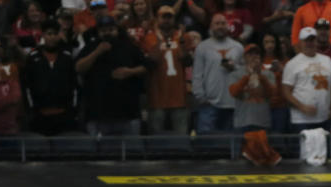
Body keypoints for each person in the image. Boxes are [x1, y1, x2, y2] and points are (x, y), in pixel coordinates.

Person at [75, 15, 147, 136]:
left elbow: (146, 67)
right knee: (100, 154)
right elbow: (78, 68)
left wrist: (130, 72)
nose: (107, 33)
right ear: (98, 32)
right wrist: (97, 52)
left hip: (128, 113)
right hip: (98, 114)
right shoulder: (91, 47)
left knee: (131, 153)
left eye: (111, 30)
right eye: (103, 30)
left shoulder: (128, 46)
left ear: (117, 30)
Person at [22, 19, 78, 135]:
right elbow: (27, 85)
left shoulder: (67, 57)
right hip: (40, 114)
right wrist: (31, 109)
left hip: (64, 114)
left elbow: (74, 84)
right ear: (43, 35)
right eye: (49, 34)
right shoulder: (33, 57)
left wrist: (73, 109)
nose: (52, 37)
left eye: (55, 34)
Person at [193, 14, 244, 133]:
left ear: (228, 26)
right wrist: (200, 96)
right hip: (209, 103)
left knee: (229, 146)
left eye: (223, 23)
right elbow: (197, 74)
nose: (220, 26)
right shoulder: (202, 47)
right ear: (211, 26)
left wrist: (233, 67)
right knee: (207, 145)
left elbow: (244, 73)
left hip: (232, 103)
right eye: (217, 23)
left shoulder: (238, 47)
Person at [143, 5, 190, 134]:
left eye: (170, 17)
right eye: (164, 17)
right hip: (157, 98)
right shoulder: (150, 38)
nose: (167, 20)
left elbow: (186, 60)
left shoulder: (182, 37)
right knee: (155, 140)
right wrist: (159, 39)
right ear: (157, 19)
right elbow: (151, 61)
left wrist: (181, 40)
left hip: (179, 97)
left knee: (181, 139)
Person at [281, 27, 331, 132]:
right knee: (304, 148)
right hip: (301, 120)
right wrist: (302, 107)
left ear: (316, 41)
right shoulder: (292, 64)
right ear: (300, 43)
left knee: (324, 147)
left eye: (312, 40)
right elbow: (286, 91)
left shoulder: (327, 60)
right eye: (306, 40)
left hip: (324, 118)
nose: (309, 43)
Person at [228, 43, 276, 131]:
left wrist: (260, 75)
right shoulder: (235, 74)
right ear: (244, 57)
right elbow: (234, 92)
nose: (254, 56)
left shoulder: (269, 74)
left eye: (257, 54)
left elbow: (272, 93)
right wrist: (247, 77)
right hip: (242, 123)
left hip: (263, 123)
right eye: (250, 54)